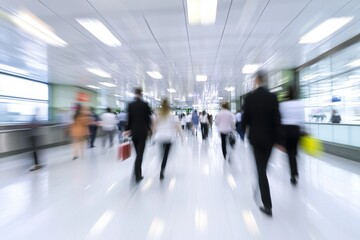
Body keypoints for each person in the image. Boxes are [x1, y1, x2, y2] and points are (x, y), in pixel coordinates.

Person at [241, 71, 283, 217]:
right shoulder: (273, 97)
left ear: (256, 80)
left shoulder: (250, 98)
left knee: (261, 170)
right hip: (270, 139)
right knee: (263, 168)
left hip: (256, 138)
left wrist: (243, 131)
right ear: (264, 80)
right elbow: (277, 119)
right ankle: (261, 184)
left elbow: (245, 119)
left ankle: (267, 205)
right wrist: (279, 140)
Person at [125, 88, 152, 183]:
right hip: (143, 132)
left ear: (134, 93)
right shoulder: (145, 104)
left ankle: (137, 173)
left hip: (134, 133)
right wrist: (149, 128)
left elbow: (129, 118)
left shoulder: (130, 105)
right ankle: (137, 174)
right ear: (141, 94)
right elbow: (148, 117)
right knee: (140, 155)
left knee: (138, 154)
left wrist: (127, 129)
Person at [279, 87, 305, 186]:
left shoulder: (283, 105)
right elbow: (302, 118)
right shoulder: (299, 103)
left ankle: (293, 174)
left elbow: (280, 118)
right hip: (296, 130)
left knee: (290, 153)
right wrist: (302, 129)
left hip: (286, 130)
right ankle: (294, 171)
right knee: (294, 152)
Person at [152, 99, 183, 180]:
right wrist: (181, 136)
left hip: (160, 137)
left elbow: (154, 127)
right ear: (169, 107)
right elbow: (178, 127)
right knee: (166, 154)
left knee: (162, 153)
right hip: (169, 137)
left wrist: (154, 134)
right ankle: (162, 169)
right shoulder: (172, 117)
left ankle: (161, 163)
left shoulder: (158, 116)